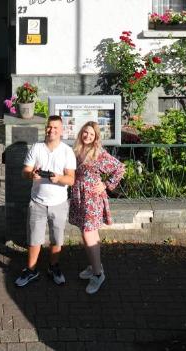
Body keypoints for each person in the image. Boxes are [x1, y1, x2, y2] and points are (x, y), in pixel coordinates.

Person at [16, 114, 76, 287]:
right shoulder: (36, 148)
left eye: (56, 127)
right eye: (49, 127)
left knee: (57, 239)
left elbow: (71, 179)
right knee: (34, 239)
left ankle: (53, 266)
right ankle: (31, 270)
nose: (52, 130)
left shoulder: (67, 151)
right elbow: (24, 171)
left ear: (61, 130)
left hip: (59, 203)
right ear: (46, 128)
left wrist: (59, 178)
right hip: (37, 202)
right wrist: (31, 175)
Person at [69, 120, 125, 294]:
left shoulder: (98, 153)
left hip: (92, 197)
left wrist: (106, 184)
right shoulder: (77, 150)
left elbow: (119, 168)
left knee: (88, 233)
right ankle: (95, 265)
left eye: (91, 134)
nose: (87, 136)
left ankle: (99, 274)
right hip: (80, 195)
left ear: (96, 138)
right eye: (85, 132)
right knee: (87, 233)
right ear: (81, 133)